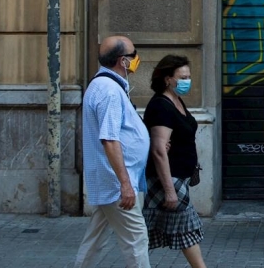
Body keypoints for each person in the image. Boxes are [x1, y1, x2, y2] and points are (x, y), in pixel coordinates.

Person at [74, 36, 151, 268]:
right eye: (133, 54)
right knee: (137, 238)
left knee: (96, 238)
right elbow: (109, 139)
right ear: (123, 61)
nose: (137, 58)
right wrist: (125, 184)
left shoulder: (105, 86)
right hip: (117, 182)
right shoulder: (108, 91)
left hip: (112, 180)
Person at [142, 55, 206, 268]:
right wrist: (169, 190)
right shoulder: (161, 106)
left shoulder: (176, 101)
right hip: (168, 178)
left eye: (189, 76)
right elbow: (159, 149)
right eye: (182, 77)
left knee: (150, 232)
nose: (187, 80)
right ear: (168, 79)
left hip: (179, 176)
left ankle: (135, 264)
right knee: (186, 228)